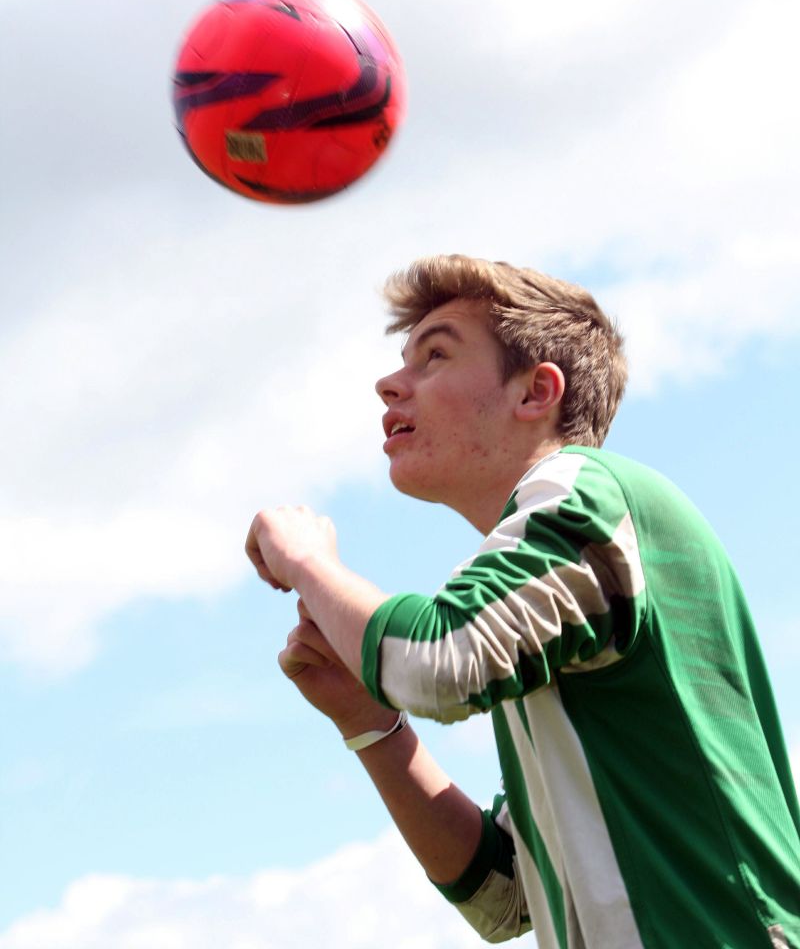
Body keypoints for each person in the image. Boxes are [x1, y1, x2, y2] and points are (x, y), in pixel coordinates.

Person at [245, 254, 800, 949]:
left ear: (537, 392)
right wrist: (371, 723)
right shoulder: (549, 583)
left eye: (435, 355)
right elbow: (505, 895)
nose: (389, 384)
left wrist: (308, 562)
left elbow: (440, 659)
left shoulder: (585, 489)